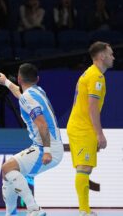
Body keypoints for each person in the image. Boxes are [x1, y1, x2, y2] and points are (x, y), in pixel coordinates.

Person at [0, 63, 63, 216]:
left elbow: (42, 124)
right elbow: (20, 95)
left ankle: (34, 208)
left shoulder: (28, 98)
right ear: (37, 79)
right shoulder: (37, 91)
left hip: (47, 148)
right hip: (48, 146)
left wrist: (46, 151)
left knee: (8, 168)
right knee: (7, 172)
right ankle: (11, 213)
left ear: (19, 79)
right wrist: (6, 81)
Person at [67, 41, 114, 216]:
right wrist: (99, 134)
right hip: (82, 128)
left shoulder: (91, 73)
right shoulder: (96, 77)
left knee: (85, 168)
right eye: (110, 54)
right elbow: (92, 108)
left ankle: (84, 209)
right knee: (84, 168)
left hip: (81, 126)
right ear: (102, 56)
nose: (113, 57)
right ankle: (84, 211)